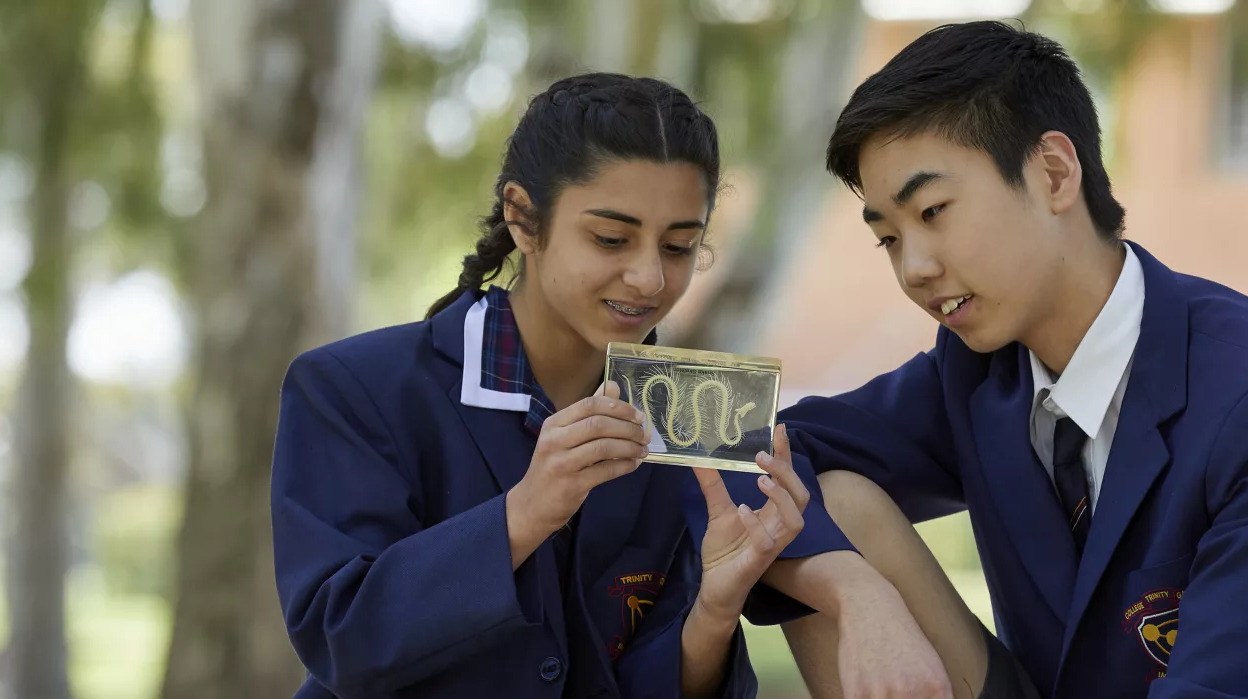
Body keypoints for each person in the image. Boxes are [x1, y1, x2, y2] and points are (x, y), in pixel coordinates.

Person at [768, 21, 1248, 698]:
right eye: (888, 239)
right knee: (821, 504)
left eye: (933, 211)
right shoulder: (977, 374)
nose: (915, 268)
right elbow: (741, 457)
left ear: (1054, 172)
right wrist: (850, 589)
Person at [271, 73, 844, 698]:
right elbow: (340, 640)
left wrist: (712, 613)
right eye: (610, 238)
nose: (649, 277)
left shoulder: (698, 410)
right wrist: (524, 514)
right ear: (523, 218)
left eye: (680, 246)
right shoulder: (352, 389)